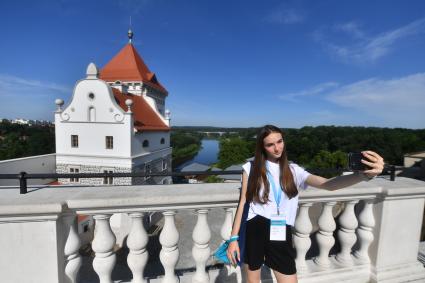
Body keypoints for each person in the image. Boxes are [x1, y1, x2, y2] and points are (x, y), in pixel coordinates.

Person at [226, 125, 384, 283]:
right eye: (270, 144)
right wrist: (233, 239)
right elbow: (243, 203)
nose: (276, 148)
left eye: (279, 141)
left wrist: (363, 176)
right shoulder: (250, 168)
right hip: (255, 227)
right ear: (262, 147)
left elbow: (328, 184)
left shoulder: (294, 170)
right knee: (252, 280)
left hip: (281, 229)